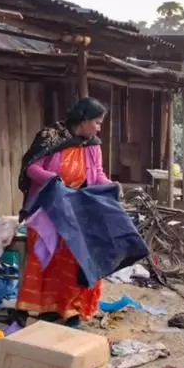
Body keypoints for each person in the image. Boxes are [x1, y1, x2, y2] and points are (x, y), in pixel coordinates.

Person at [15, 97, 111, 326]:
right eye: (97, 123)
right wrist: (54, 182)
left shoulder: (93, 145)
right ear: (84, 120)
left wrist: (111, 187)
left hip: (75, 208)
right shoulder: (50, 137)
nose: (99, 128)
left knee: (75, 256)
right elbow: (32, 169)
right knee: (47, 258)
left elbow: (97, 175)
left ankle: (71, 310)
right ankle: (48, 308)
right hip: (46, 208)